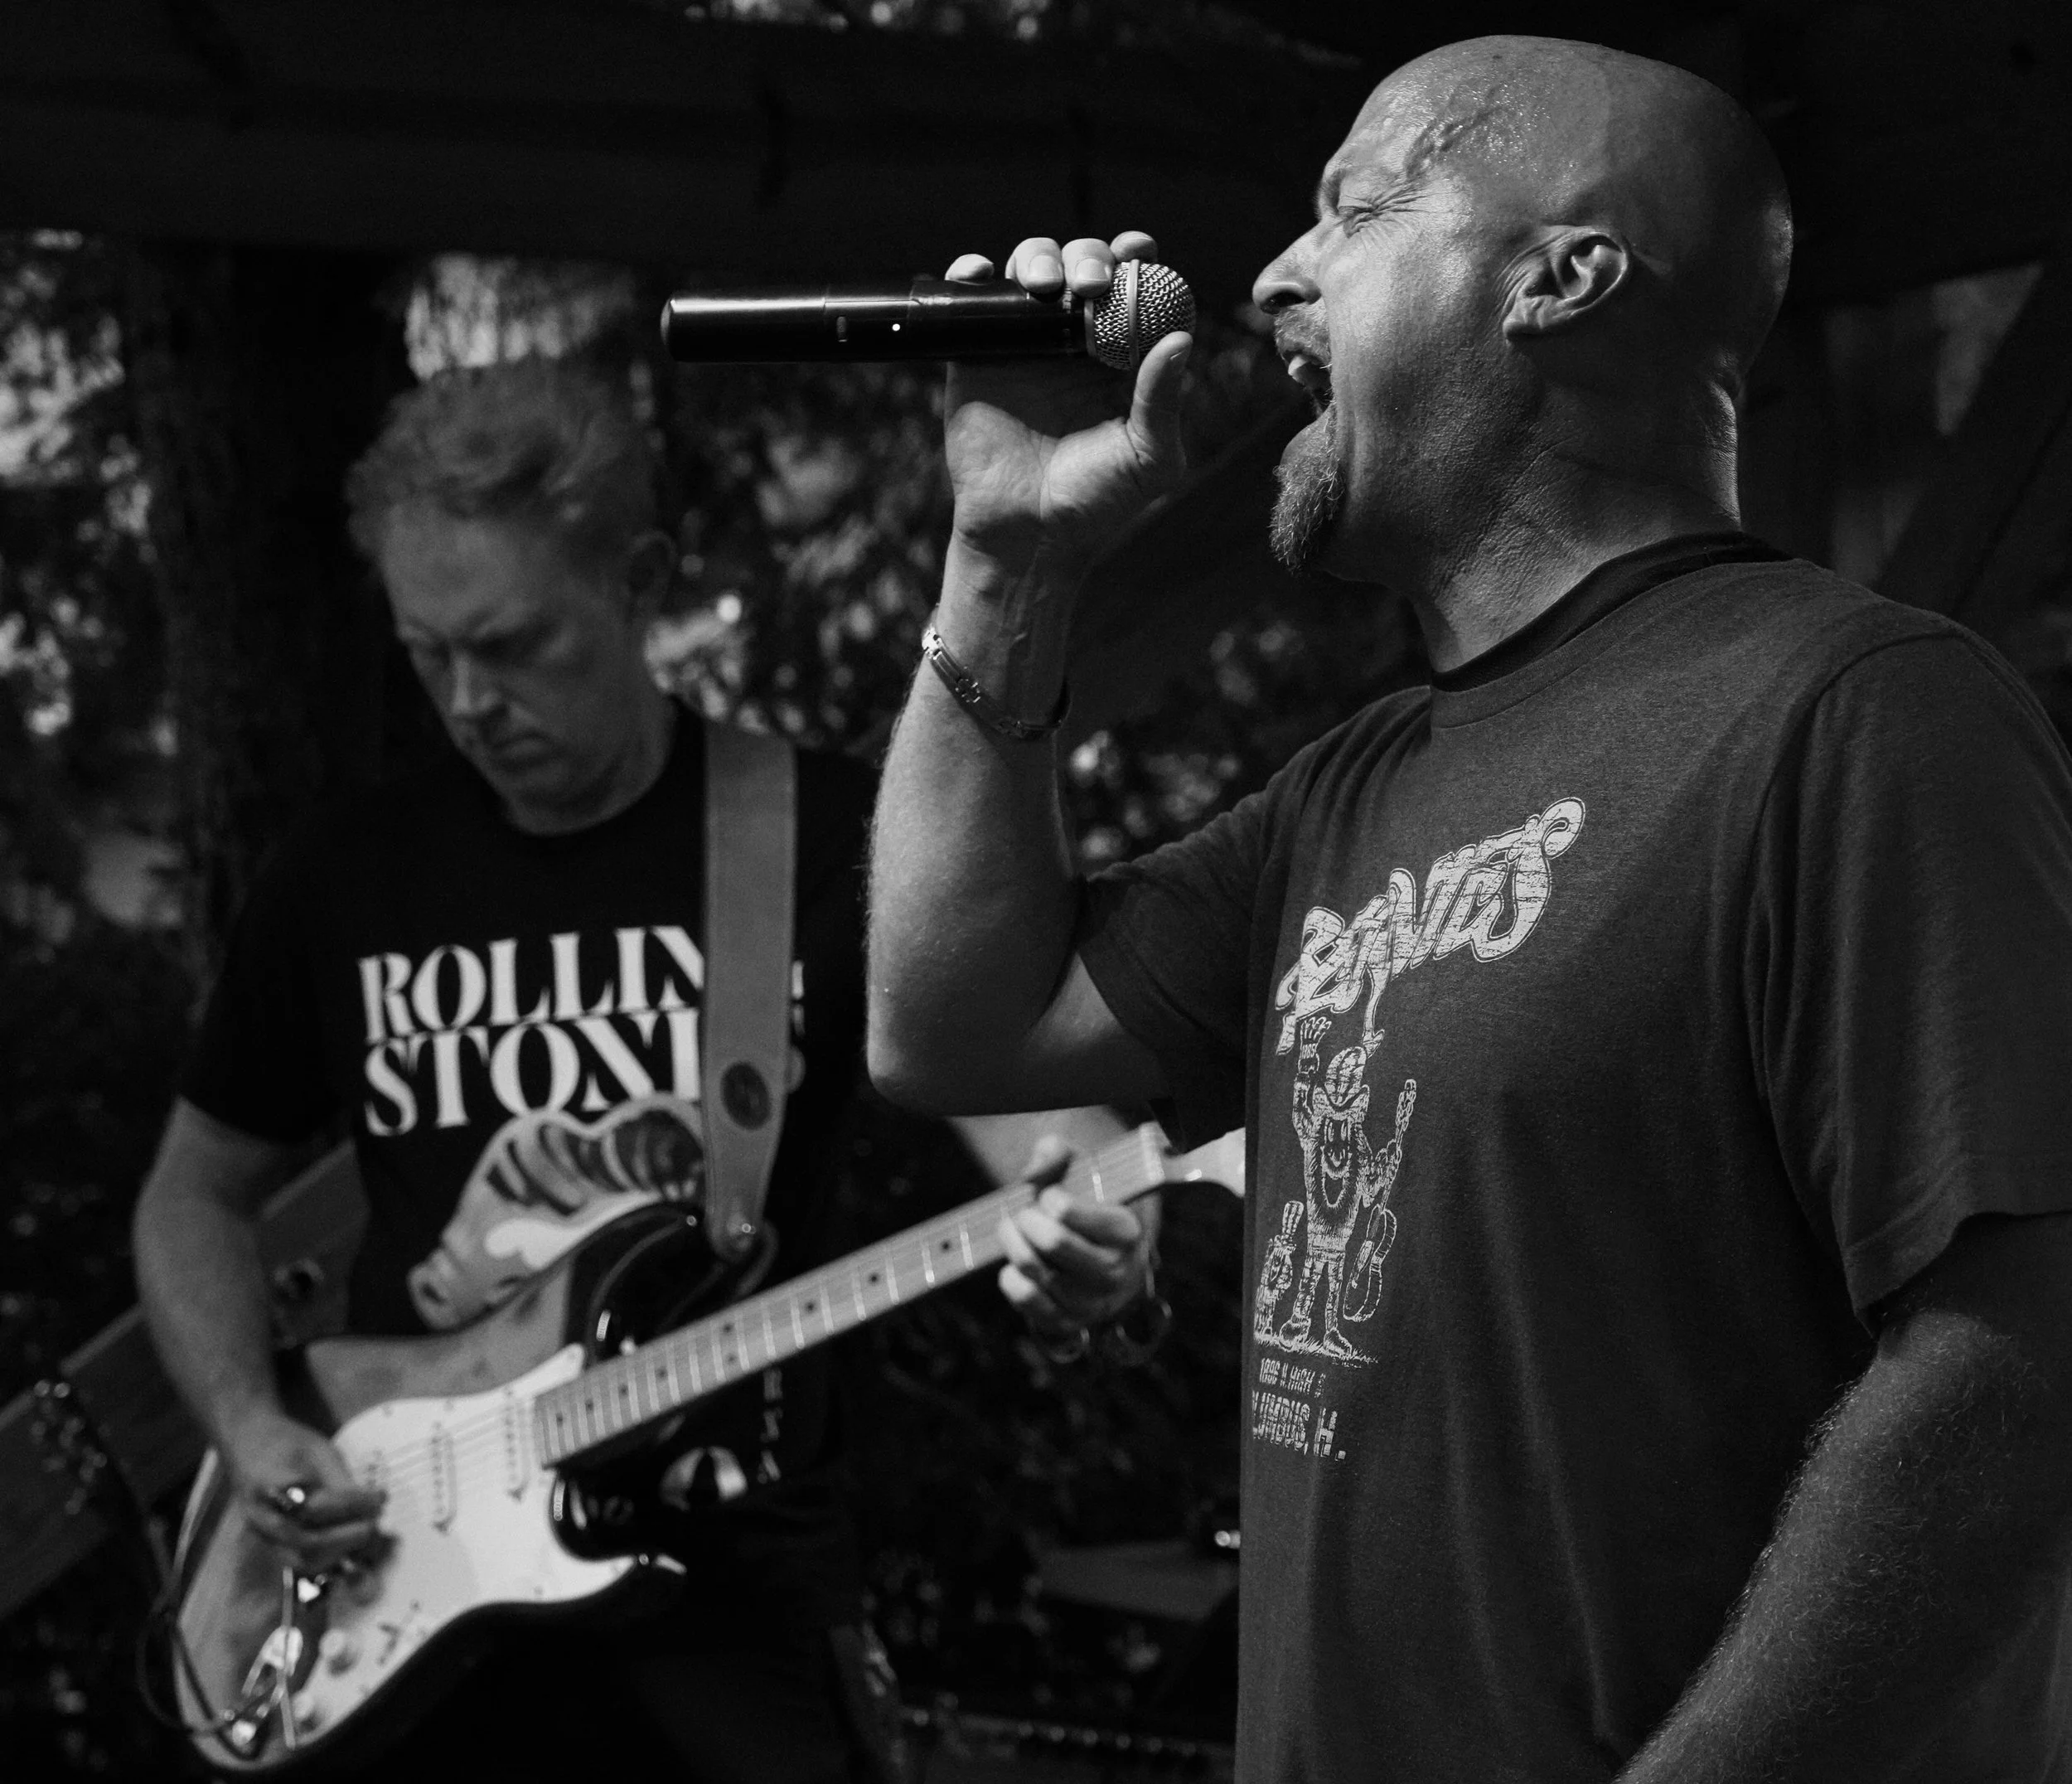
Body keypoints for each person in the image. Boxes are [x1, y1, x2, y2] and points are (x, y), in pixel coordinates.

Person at [868, 33, 2072, 1782]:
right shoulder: (1349, 790)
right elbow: (952, 1019)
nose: (1274, 275)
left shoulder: (1862, 712)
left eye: (1348, 209)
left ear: (1560, 274)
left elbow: (2015, 1360)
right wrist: (1005, 559)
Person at [132, 354, 1129, 1782]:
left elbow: (1072, 1151)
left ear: (640, 578)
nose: (470, 700)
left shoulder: (828, 840)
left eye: (515, 643)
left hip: (729, 1583)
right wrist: (245, 1420)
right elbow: (191, 1197)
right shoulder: (343, 879)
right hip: (399, 1576)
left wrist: (1105, 1241)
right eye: (429, 654)